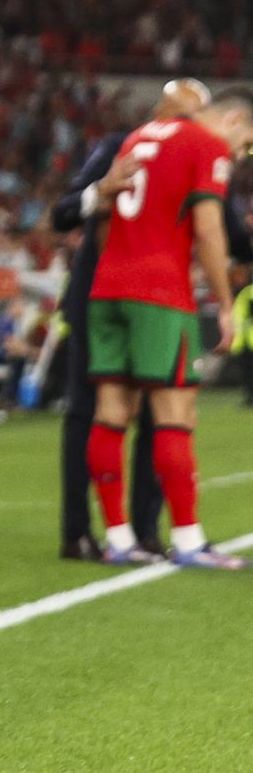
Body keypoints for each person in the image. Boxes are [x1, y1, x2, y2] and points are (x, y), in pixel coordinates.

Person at [81, 87, 253, 569]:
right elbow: (209, 228)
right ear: (235, 119)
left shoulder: (136, 138)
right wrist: (223, 302)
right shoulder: (205, 144)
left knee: (111, 411)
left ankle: (117, 539)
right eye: (247, 143)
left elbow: (104, 216)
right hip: (160, 290)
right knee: (176, 413)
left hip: (108, 284)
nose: (241, 155)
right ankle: (189, 539)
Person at [47, 85, 196, 559]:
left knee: (156, 413)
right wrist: (100, 192)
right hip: (99, 298)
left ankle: (144, 532)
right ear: (160, 111)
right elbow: (63, 212)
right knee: (87, 413)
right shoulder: (118, 147)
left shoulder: (192, 154)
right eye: (185, 112)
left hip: (153, 301)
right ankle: (77, 531)